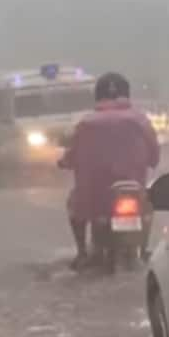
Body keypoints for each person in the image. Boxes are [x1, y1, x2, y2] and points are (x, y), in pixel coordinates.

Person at [58, 72, 160, 270]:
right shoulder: (140, 120)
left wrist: (64, 162)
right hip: (133, 187)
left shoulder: (86, 123)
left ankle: (81, 252)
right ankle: (144, 248)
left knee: (74, 205)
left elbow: (71, 155)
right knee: (147, 206)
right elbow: (154, 153)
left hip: (95, 195)